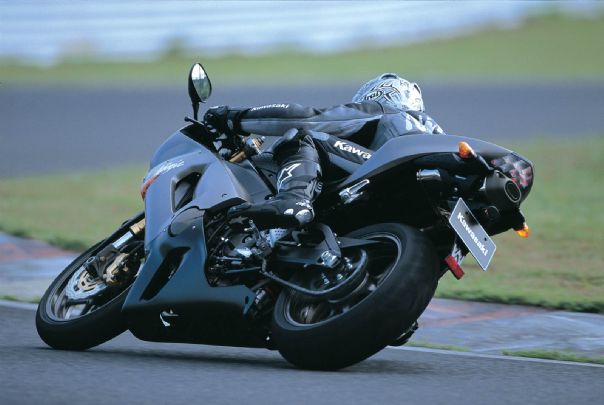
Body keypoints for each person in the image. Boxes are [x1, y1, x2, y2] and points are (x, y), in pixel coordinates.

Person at [203, 73, 445, 229]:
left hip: (393, 171)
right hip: (424, 207)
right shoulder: (435, 133)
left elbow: (305, 118)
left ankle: (294, 200)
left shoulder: (384, 110)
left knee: (304, 135)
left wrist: (234, 118)